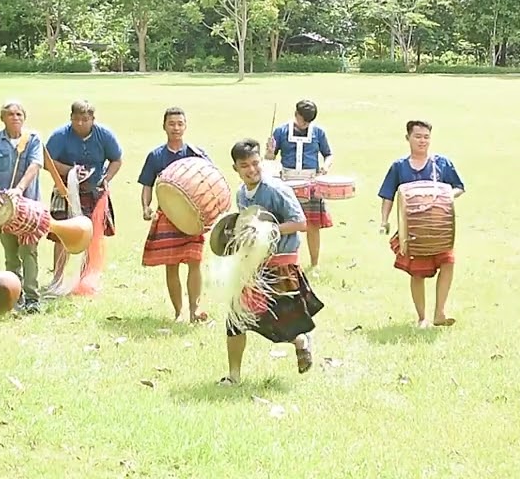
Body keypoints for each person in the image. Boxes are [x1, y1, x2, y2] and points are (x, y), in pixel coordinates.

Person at [219, 139, 324, 386]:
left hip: (281, 264)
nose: (251, 169)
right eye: (244, 165)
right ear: (235, 168)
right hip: (254, 266)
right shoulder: (241, 194)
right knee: (236, 319)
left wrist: (268, 230)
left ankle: (300, 340)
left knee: (281, 323)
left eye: (255, 163)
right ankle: (234, 376)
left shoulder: (276, 190)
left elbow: (300, 223)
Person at [377, 120, 465, 329]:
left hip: (439, 228)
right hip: (412, 231)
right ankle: (422, 318)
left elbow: (459, 187)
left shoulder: (441, 163)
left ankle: (440, 312)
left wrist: (446, 195)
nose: (422, 141)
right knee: (417, 273)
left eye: (426, 137)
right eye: (418, 136)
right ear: (408, 138)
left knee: (448, 263)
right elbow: (388, 196)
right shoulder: (399, 166)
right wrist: (384, 220)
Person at [138, 107, 211, 323]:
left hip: (193, 216)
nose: (176, 128)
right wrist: (146, 207)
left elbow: (210, 178)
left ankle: (194, 310)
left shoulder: (197, 153)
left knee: (195, 261)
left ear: (185, 126)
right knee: (172, 264)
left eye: (180, 124)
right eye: (172, 124)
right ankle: (179, 312)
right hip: (167, 215)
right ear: (164, 126)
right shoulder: (155, 156)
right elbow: (147, 185)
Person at [45, 99, 122, 296]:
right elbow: (47, 161)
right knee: (61, 235)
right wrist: (70, 171)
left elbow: (116, 159)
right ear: (70, 117)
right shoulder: (60, 136)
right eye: (76, 119)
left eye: (85, 119)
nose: (80, 123)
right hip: (65, 191)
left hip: (95, 191)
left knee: (93, 236)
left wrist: (106, 178)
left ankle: (86, 279)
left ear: (93, 119)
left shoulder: (104, 135)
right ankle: (58, 279)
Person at [0, 100, 44, 314]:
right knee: (11, 254)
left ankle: (32, 298)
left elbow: (34, 166)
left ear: (24, 117)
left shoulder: (33, 139)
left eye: (19, 114)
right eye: (10, 114)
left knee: (29, 252)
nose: (15, 118)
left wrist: (19, 189)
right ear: (3, 118)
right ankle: (15, 296)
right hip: (4, 210)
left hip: (28, 208)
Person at [265, 99, 334, 269]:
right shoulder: (281, 131)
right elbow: (270, 158)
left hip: (311, 183)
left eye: (309, 122)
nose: (306, 124)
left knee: (313, 225)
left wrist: (325, 166)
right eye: (303, 120)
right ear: (296, 114)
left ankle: (314, 264)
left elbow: (328, 154)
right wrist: (269, 152)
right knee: (286, 224)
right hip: (287, 183)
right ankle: (283, 263)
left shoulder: (318, 133)